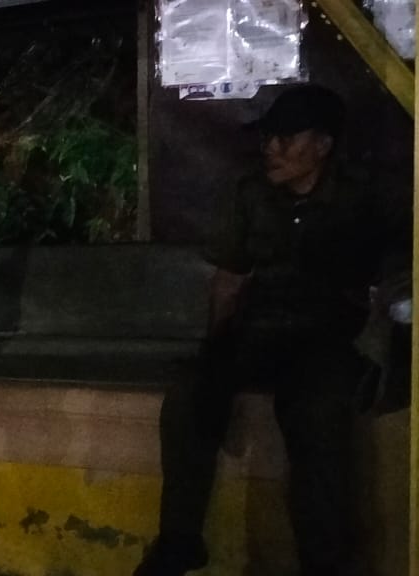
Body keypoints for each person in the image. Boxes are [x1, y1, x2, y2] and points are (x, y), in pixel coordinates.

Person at [134, 85, 409, 576]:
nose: (272, 149)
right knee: (191, 393)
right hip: (260, 329)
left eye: (286, 138)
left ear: (322, 145)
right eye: (269, 138)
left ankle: (325, 564)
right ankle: (179, 541)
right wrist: (215, 349)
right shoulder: (252, 192)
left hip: (328, 337)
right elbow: (230, 279)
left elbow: (399, 265)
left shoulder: (364, 195)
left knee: (317, 414)